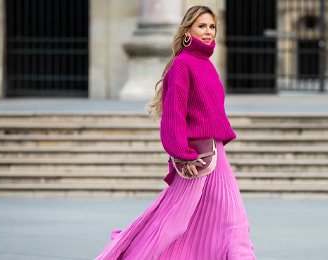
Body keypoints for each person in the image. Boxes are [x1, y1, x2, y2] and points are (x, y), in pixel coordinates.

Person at [93, 5, 256, 260]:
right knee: (174, 221)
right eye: (202, 26)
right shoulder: (183, 64)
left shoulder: (207, 65)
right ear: (187, 31)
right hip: (194, 157)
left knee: (232, 222)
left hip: (215, 153)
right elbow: (173, 114)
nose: (208, 32)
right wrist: (182, 154)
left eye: (212, 26)